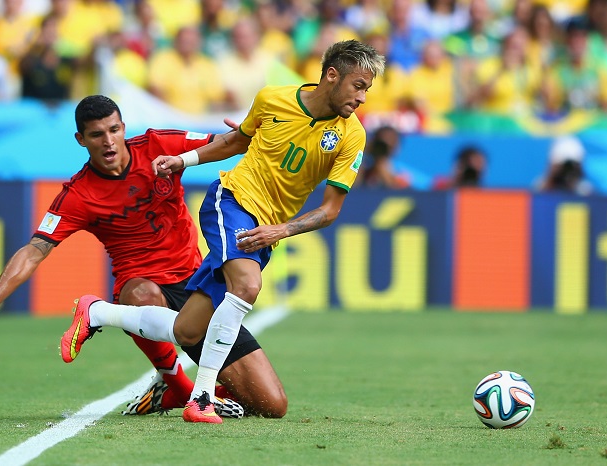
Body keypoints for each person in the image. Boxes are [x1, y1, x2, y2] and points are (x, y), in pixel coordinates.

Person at [61, 39, 386, 424]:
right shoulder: (273, 99)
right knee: (246, 286)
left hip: (265, 230)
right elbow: (234, 142)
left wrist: (278, 230)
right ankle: (201, 399)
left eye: (367, 88)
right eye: (359, 86)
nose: (363, 97)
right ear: (332, 76)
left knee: (194, 335)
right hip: (232, 201)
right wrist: (182, 159)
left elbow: (330, 210)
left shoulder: (352, 135)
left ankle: (98, 312)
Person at [0, 94, 287, 419]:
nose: (107, 141)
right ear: (81, 140)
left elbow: (222, 144)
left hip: (196, 283)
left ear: (123, 127)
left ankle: (177, 392)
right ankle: (177, 383)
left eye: (113, 130)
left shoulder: (158, 144)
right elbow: (34, 250)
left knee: (271, 405)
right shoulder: (78, 194)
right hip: (143, 285)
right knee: (141, 295)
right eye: (96, 134)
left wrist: (245, 132)